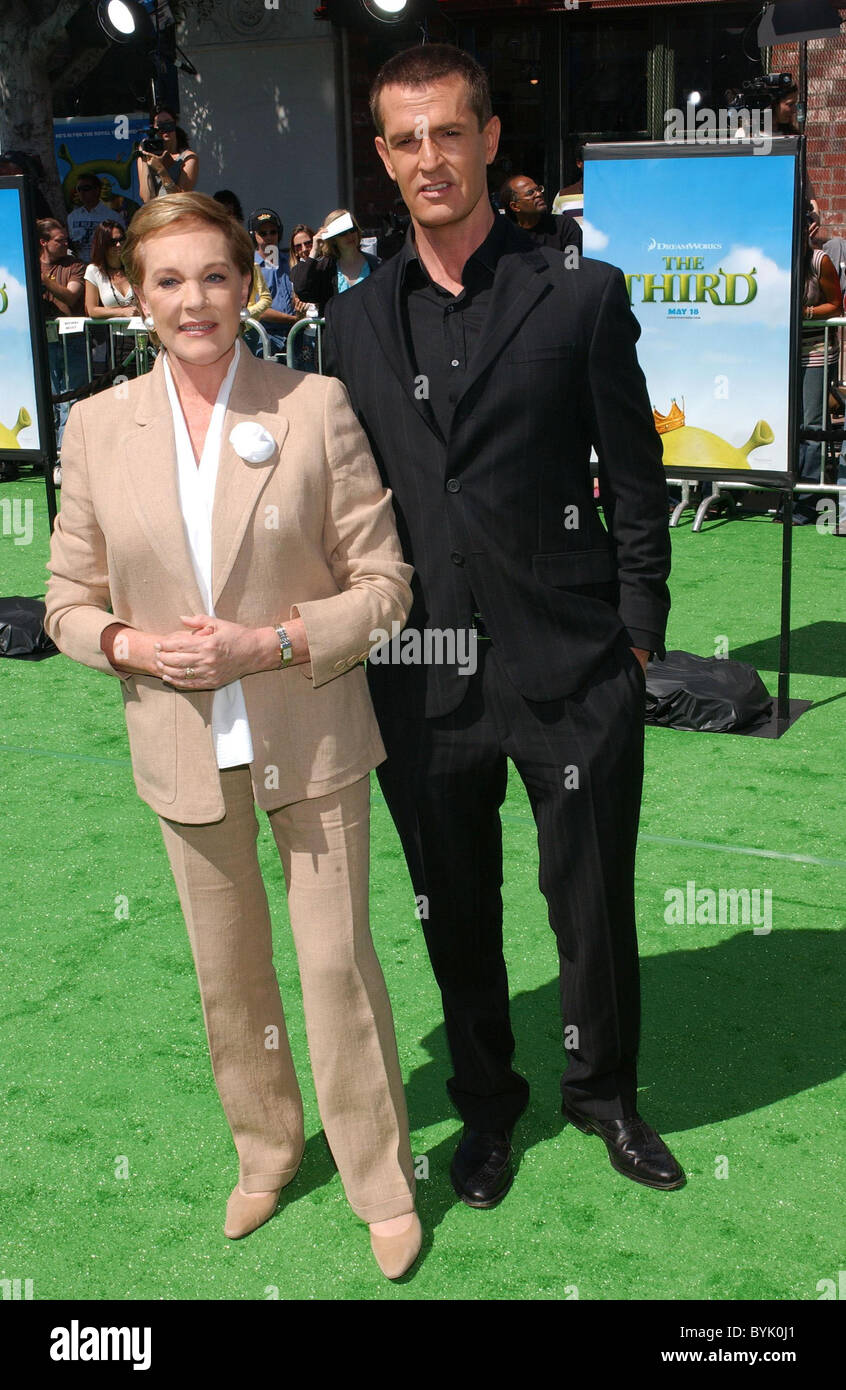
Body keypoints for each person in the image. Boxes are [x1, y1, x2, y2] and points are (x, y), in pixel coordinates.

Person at [324, 43, 684, 1209]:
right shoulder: (350, 325)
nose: (429, 157)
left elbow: (637, 478)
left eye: (449, 131)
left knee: (590, 898)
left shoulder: (580, 293)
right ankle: (489, 1106)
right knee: (456, 909)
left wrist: (636, 634)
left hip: (571, 662)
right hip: (421, 673)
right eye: (405, 139)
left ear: (487, 140)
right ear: (383, 159)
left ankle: (605, 1094)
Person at [43, 191, 422, 1280]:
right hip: (177, 744)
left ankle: (381, 1181)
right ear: (136, 295)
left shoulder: (315, 405)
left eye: (214, 276)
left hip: (309, 735)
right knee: (229, 976)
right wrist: (132, 647)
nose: (194, 300)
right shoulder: (96, 426)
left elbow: (387, 585)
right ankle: (264, 1150)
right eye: (169, 281)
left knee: (337, 964)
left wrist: (270, 642)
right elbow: (66, 600)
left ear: (249, 283)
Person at [792, 223, 841, 524]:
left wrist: (806, 313)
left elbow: (836, 304)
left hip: (815, 353)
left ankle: (807, 503)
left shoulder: (818, 260)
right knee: (790, 424)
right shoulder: (776, 257)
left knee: (811, 426)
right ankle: (790, 494)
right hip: (780, 352)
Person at [38, 218, 86, 448]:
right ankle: (47, 448)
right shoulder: (28, 262)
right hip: (41, 339)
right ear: (43, 242)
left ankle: (64, 451)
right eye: (59, 240)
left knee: (71, 395)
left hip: (72, 338)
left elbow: (71, 296)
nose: (65, 243)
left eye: (66, 238)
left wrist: (46, 282)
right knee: (48, 393)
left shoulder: (75, 265)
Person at [291, 208, 381, 316]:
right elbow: (302, 290)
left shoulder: (375, 264)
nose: (349, 235)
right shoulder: (326, 268)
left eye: (352, 230)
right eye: (343, 233)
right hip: (338, 331)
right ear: (333, 239)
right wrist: (314, 250)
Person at [247, 207, 297, 357]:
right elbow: (260, 310)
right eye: (263, 233)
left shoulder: (290, 260)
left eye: (273, 232)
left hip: (294, 335)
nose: (269, 237)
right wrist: (294, 320)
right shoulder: (250, 267)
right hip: (265, 337)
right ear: (254, 235)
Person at [499, 174, 581, 254]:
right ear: (515, 206)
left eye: (539, 189)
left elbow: (573, 264)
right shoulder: (505, 235)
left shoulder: (564, 225)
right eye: (530, 193)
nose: (539, 194)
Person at [136, 106, 199, 203]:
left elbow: (181, 199)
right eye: (160, 125)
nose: (165, 128)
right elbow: (146, 198)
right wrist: (144, 159)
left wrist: (161, 170)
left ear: (175, 124)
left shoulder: (188, 158)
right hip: (154, 214)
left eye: (168, 123)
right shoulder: (146, 156)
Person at [83, 220, 136, 318]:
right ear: (102, 244)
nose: (118, 245)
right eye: (113, 241)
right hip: (115, 332)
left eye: (121, 239)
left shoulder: (134, 266)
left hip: (142, 330)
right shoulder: (93, 270)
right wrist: (122, 312)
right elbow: (92, 310)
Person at [67, 175, 126, 263]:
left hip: (104, 266)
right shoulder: (72, 217)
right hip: (79, 267)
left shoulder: (113, 216)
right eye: (79, 189)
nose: (82, 192)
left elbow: (122, 242)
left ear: (97, 190)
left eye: (86, 188)